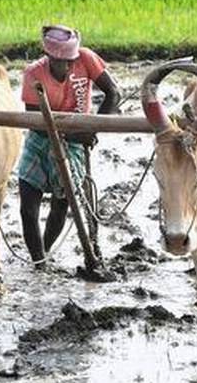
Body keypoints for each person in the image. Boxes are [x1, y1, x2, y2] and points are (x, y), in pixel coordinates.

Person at [18, 24, 121, 264]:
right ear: (49, 57)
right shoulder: (34, 73)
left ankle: (44, 250)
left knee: (61, 205)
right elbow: (36, 122)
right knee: (28, 208)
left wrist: (93, 129)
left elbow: (112, 93)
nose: (65, 66)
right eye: (59, 61)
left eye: (69, 61)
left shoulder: (86, 59)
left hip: (76, 143)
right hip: (40, 141)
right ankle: (37, 259)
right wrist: (74, 134)